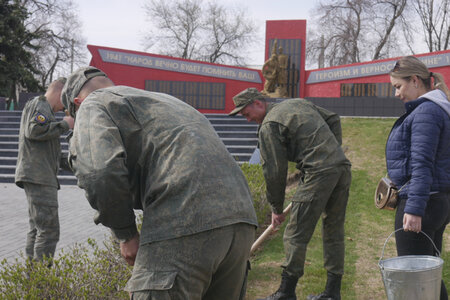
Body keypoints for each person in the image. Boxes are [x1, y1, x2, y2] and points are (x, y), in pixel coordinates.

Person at [61, 66, 258, 299]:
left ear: (77, 102)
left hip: (184, 216)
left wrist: (126, 234)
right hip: (240, 219)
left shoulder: (92, 104)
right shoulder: (164, 100)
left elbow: (98, 171)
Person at [229, 88, 351, 300]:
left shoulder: (269, 125)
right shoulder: (297, 103)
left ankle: (286, 292)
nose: (247, 119)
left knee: (295, 232)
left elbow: (274, 171)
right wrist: (332, 150)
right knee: (333, 228)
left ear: (258, 103)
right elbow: (333, 119)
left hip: (318, 171)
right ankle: (333, 293)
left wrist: (276, 208)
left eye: (247, 114)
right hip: (341, 168)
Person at [387, 56, 450, 300]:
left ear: (415, 80)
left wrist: (413, 209)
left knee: (416, 280)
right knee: (428, 277)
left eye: (398, 86)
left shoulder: (426, 112)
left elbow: (423, 165)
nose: (396, 94)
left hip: (422, 203)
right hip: (434, 201)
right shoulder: (436, 109)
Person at [15, 78, 75, 262]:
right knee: (48, 231)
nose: (65, 106)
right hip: (38, 177)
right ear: (60, 93)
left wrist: (77, 163)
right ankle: (43, 286)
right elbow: (34, 130)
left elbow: (53, 155)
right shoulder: (41, 105)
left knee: (38, 229)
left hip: (39, 175)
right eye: (66, 99)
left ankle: (34, 282)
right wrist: (65, 124)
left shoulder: (46, 112)